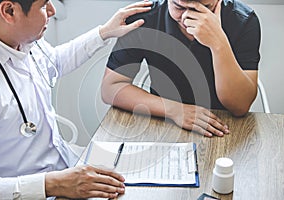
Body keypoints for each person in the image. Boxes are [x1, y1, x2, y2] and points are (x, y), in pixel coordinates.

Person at [0, 0, 153, 199]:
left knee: (136, 172)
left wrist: (104, 32)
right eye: (44, 5)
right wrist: (53, 184)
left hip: (65, 165)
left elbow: (54, 60)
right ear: (9, 11)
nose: (53, 10)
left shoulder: (24, 39)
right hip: (38, 190)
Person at [101, 0, 261, 137]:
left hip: (223, 126)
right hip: (162, 121)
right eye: (179, 7)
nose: (187, 18)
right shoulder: (144, 18)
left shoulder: (243, 21)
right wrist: (174, 110)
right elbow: (110, 88)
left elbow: (240, 106)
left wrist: (218, 43)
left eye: (204, 7)